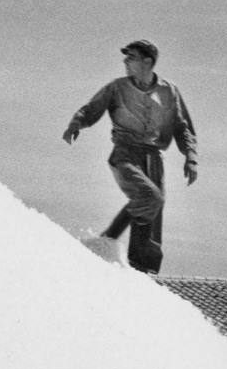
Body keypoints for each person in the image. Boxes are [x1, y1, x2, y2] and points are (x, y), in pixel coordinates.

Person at [62, 39, 197, 274]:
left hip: (153, 157)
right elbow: (92, 107)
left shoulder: (169, 91)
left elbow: (182, 126)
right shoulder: (117, 87)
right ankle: (106, 241)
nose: (125, 61)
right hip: (125, 153)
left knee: (151, 214)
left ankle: (141, 271)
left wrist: (191, 156)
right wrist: (77, 122)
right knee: (150, 198)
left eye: (131, 57)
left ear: (148, 61)